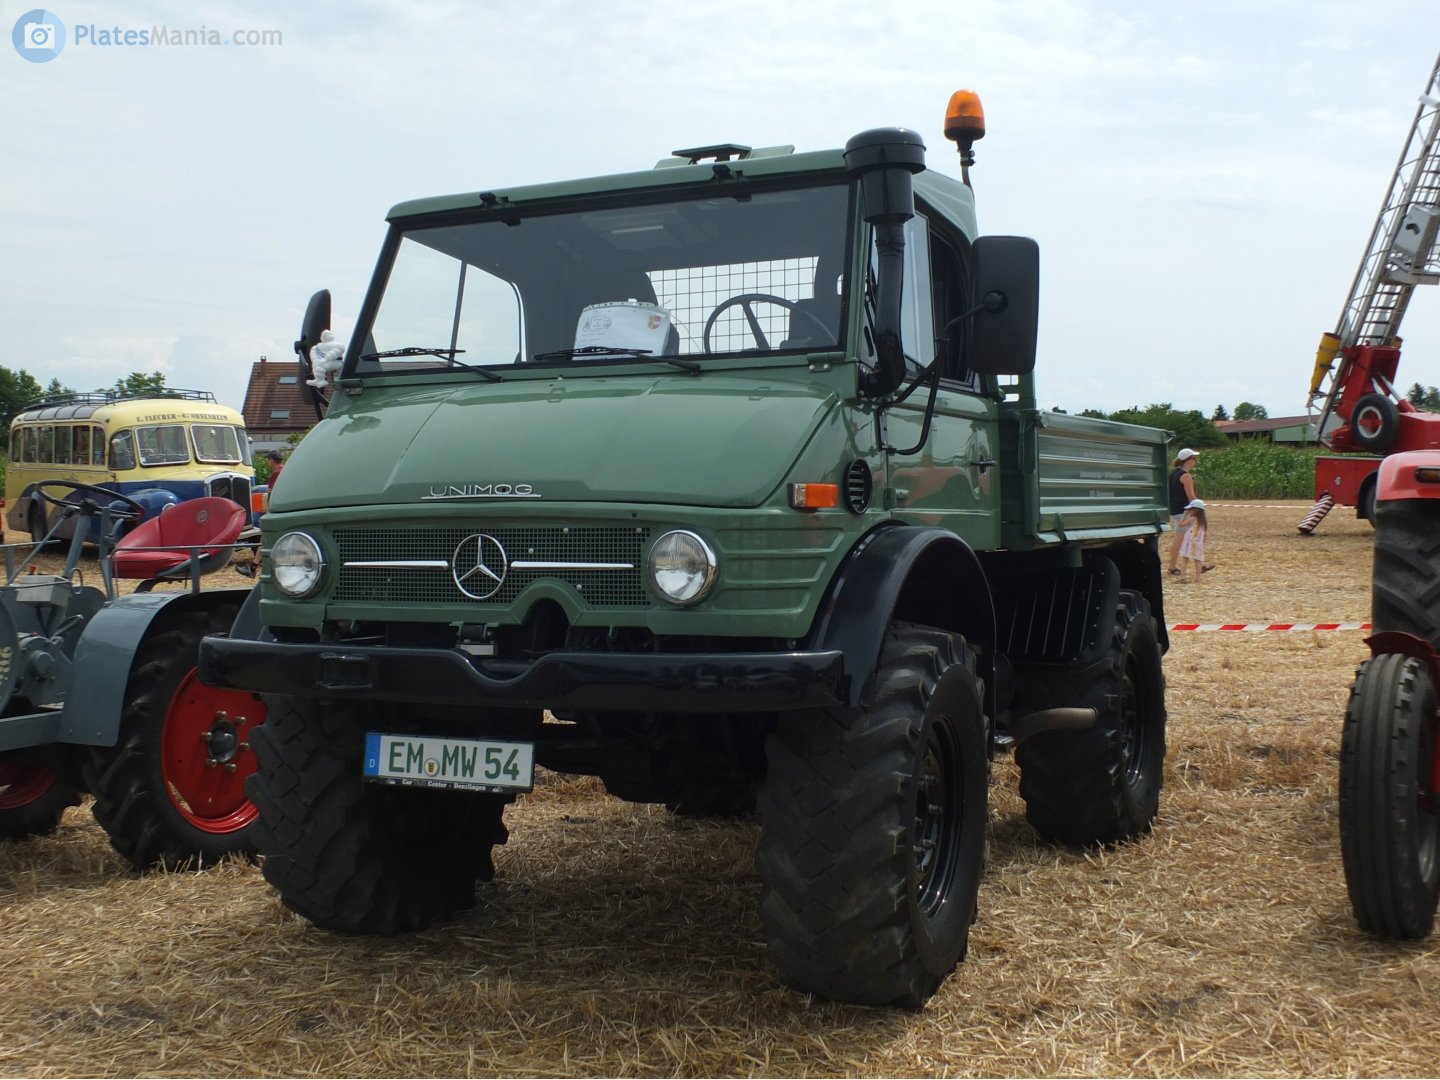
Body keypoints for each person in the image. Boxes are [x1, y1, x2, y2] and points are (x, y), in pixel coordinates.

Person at [1167, 448, 1200, 576]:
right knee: (1181, 539)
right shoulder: (1186, 476)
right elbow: (1191, 496)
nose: (1194, 461)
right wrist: (1199, 508)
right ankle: (1172, 567)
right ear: (1187, 460)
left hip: (1176, 510)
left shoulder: (1174, 474)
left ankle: (1198, 565)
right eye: (1193, 458)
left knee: (1184, 538)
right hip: (1185, 511)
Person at [1176, 498, 1215, 582]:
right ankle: (1198, 578)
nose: (1189, 511)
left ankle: (1182, 577)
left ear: (1196, 510)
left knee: (1184, 560)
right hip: (1198, 543)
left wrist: (1184, 515)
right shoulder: (1203, 522)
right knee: (1198, 560)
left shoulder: (1192, 519)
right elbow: (1205, 534)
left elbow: (1181, 525)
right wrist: (1202, 544)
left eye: (1190, 509)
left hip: (1189, 542)